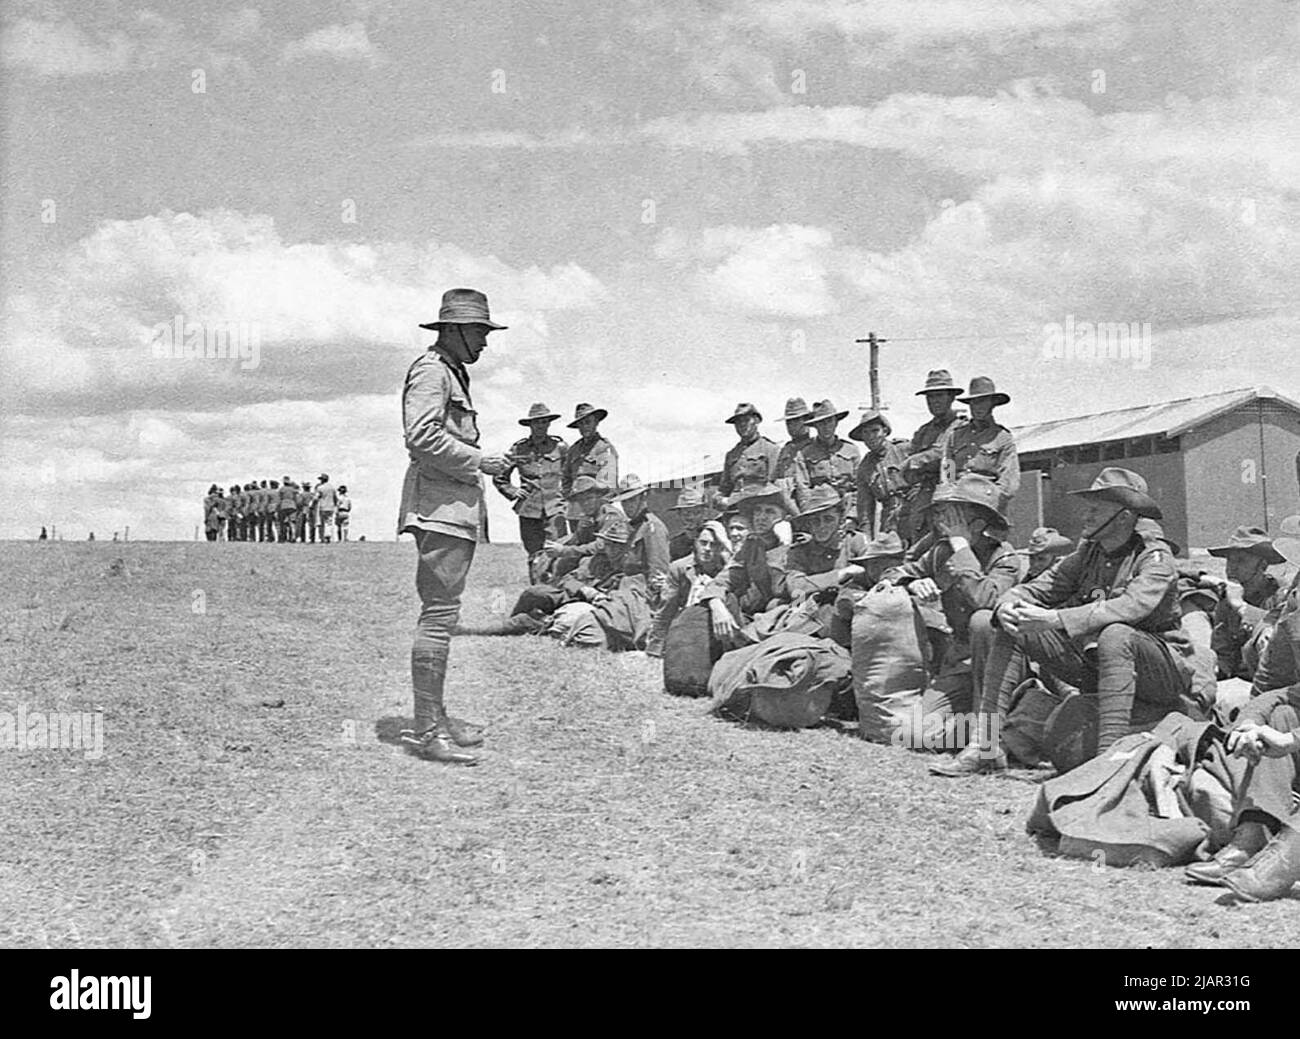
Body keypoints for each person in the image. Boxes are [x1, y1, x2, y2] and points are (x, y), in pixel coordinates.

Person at [934, 467, 1198, 777]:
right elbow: (1039, 587)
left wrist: (1055, 619)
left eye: (1096, 509)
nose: (1086, 516)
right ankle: (985, 745)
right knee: (1011, 621)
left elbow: (1132, 606)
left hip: (1160, 672)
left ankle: (1106, 764)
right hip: (1099, 664)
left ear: (1124, 518)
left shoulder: (1154, 556)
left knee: (1116, 633)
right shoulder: (1089, 552)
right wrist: (1008, 604)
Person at [396, 287, 511, 765]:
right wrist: (481, 461)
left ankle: (436, 719)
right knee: (440, 617)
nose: (485, 341)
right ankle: (427, 732)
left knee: (444, 615)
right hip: (440, 510)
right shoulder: (431, 371)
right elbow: (420, 436)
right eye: (479, 332)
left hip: (453, 507)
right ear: (455, 331)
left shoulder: (451, 372)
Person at [877, 474, 1022, 749]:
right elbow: (890, 573)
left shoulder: (1004, 558)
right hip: (959, 663)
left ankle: (988, 732)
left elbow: (986, 601)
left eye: (953, 516)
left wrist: (961, 546)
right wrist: (912, 582)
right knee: (911, 735)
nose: (942, 521)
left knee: (982, 622)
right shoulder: (940, 552)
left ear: (978, 523)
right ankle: (979, 730)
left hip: (998, 666)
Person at [698, 483, 792, 641]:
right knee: (703, 611)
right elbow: (724, 579)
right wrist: (716, 603)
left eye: (770, 511)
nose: (761, 517)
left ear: (784, 518)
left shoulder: (799, 544)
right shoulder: (752, 544)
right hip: (754, 618)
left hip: (788, 619)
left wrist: (784, 545)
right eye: (758, 510)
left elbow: (781, 590)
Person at [1201, 526, 1287, 681]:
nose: (1232, 568)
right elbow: (1223, 653)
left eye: (1241, 560)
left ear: (1262, 565)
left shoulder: (1282, 594)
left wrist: (1241, 607)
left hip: (1275, 682)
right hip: (1241, 681)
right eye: (1229, 560)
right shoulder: (1228, 598)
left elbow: (1279, 639)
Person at [494, 402, 568, 579]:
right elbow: (499, 476)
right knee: (534, 555)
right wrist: (512, 491)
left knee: (557, 551)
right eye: (537, 422)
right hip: (529, 510)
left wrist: (566, 499)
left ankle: (559, 595)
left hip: (555, 509)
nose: (541, 426)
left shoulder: (560, 447)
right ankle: (536, 595)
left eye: (544, 422)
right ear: (530, 425)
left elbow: (570, 474)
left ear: (549, 423)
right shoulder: (519, 448)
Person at [899, 370, 966, 547]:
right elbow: (907, 471)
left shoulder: (962, 428)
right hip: (924, 496)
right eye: (930, 397)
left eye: (939, 396)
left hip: (952, 494)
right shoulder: (923, 432)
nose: (934, 401)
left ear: (951, 397)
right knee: (920, 546)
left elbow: (949, 458)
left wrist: (919, 461)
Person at [647, 521, 732, 658]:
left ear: (721, 547)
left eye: (714, 544)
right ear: (695, 543)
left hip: (720, 625)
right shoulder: (679, 569)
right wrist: (655, 648)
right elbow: (666, 609)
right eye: (703, 543)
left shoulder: (729, 569)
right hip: (688, 622)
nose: (708, 548)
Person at [936, 376, 1019, 515]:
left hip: (986, 506)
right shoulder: (955, 435)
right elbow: (948, 468)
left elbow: (1008, 482)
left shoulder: (1003, 438)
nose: (978, 407)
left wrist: (990, 503)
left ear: (992, 404)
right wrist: (949, 491)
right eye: (974, 402)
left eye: (983, 402)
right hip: (957, 502)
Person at [793, 399, 860, 516]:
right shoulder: (805, 453)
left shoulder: (851, 450)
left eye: (829, 421)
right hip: (819, 510)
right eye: (821, 423)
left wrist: (852, 516)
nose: (826, 426)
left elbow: (859, 486)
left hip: (847, 510)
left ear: (836, 422)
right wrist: (810, 514)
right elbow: (803, 488)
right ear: (815, 426)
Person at [849, 409, 909, 539]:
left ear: (885, 432)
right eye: (866, 432)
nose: (871, 436)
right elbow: (865, 510)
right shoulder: (865, 467)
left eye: (875, 431)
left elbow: (941, 465)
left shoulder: (904, 449)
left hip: (914, 513)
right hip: (889, 521)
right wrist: (866, 540)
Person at [561, 402, 618, 534]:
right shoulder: (573, 450)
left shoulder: (604, 448)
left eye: (588, 422)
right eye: (580, 424)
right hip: (575, 511)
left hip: (596, 512)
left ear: (596, 422)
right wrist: (569, 498)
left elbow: (610, 485)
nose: (584, 427)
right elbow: (566, 477)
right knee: (577, 548)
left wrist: (597, 511)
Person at [718, 403, 780, 501]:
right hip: (734, 505)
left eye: (746, 420)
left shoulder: (771, 449)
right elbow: (724, 488)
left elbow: (774, 484)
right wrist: (718, 498)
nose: (742, 425)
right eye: (738, 422)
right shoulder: (731, 455)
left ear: (756, 421)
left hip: (760, 504)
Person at [773, 397, 814, 506]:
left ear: (806, 421)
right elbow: (777, 479)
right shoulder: (785, 450)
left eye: (795, 420)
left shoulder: (815, 447)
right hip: (787, 505)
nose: (791, 425)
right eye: (788, 422)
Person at [666, 485, 713, 562]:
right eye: (686, 513)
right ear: (679, 515)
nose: (691, 517)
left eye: (696, 512)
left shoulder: (716, 536)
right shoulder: (675, 544)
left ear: (705, 513)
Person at [316, 474, 337, 543]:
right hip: (331, 507)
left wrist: (312, 503)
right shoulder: (332, 488)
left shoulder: (320, 488)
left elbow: (316, 497)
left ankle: (322, 537)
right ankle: (328, 535)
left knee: (322, 522)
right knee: (329, 522)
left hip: (322, 507)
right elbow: (335, 498)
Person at [277, 477, 298, 543]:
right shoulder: (293, 489)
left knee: (284, 522)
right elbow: (296, 499)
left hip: (283, 506)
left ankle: (283, 537)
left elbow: (279, 499)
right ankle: (293, 537)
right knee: (292, 522)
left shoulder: (281, 489)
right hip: (292, 506)